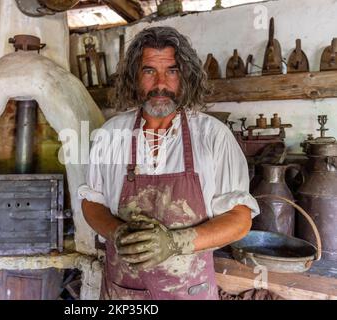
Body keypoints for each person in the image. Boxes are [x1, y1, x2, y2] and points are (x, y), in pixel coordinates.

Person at [77, 26, 259, 300]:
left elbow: (240, 219)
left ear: (185, 77)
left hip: (190, 291)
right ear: (134, 78)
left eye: (172, 71)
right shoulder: (110, 135)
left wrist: (175, 243)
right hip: (124, 293)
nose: (160, 83)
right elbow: (92, 202)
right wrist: (118, 233)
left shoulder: (213, 136)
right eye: (149, 70)